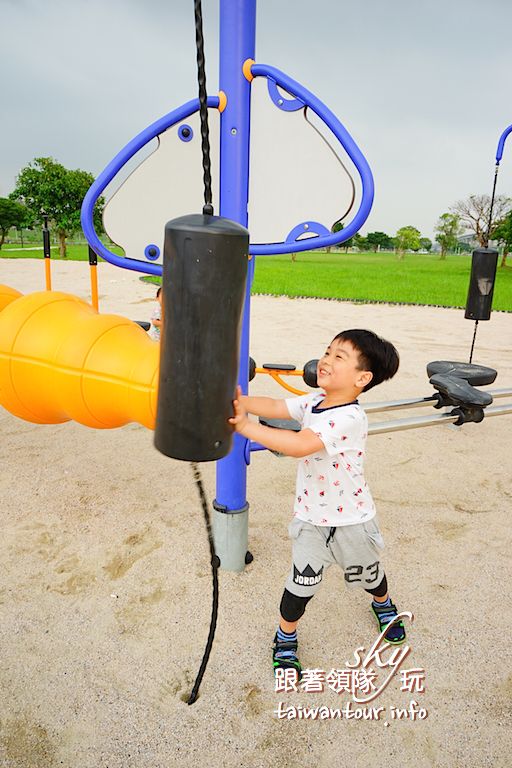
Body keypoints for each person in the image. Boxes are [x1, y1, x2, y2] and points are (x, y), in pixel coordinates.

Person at [229, 328, 404, 677]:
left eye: (340, 356)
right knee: (299, 586)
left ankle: (383, 604)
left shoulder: (349, 418)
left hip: (353, 519)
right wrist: (241, 401)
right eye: (327, 351)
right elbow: (277, 406)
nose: (326, 359)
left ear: (362, 378)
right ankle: (285, 635)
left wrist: (246, 427)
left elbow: (298, 445)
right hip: (312, 520)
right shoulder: (314, 401)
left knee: (369, 574)